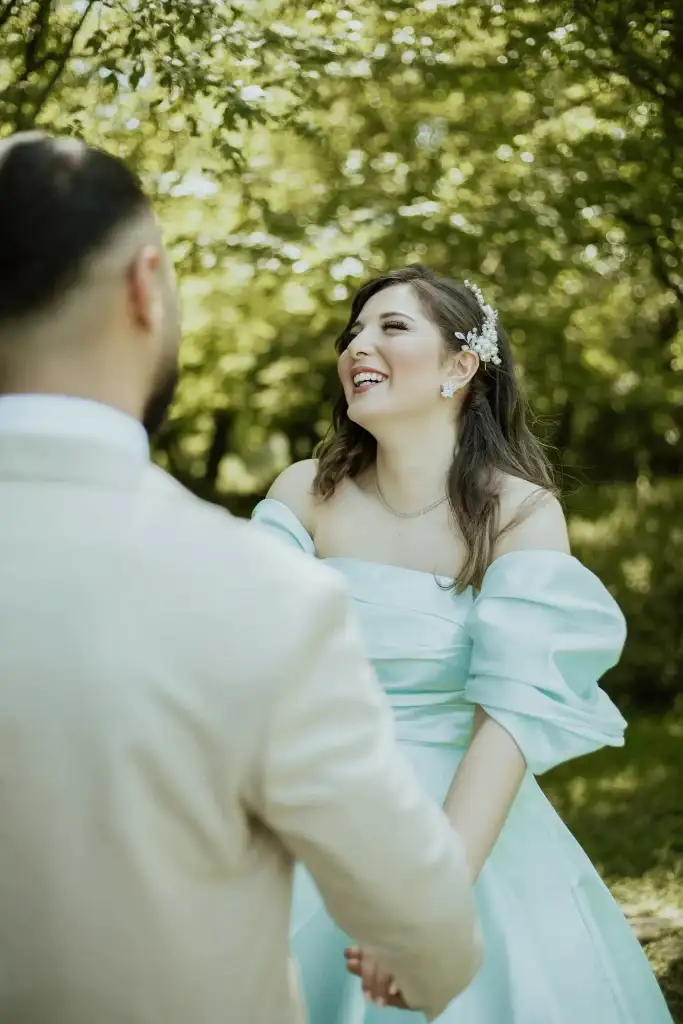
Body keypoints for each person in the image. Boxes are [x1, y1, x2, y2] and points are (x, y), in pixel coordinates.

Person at [0, 135, 483, 1024]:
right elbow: (425, 920)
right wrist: (433, 966)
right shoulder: (259, 592)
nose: (360, 346)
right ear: (145, 287)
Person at [251, 265, 674, 1023]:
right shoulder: (303, 492)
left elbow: (509, 714)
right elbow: (239, 662)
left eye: (392, 327)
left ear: (460, 365)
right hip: (308, 811)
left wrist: (428, 903)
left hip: (458, 825)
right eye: (353, 332)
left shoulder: (518, 511)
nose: (357, 346)